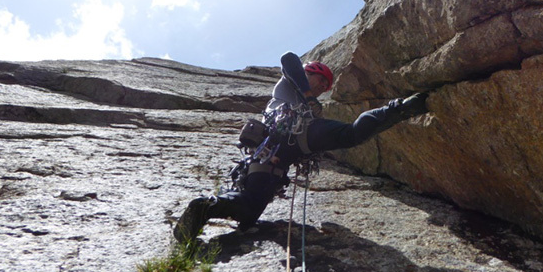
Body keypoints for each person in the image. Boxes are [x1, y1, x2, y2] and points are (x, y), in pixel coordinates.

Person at [173, 52, 428, 241]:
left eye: (325, 86)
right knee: (249, 209)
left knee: (250, 213)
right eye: (320, 80)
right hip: (283, 142)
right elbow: (289, 58)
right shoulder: (288, 84)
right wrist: (307, 96)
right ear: (309, 74)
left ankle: (403, 107)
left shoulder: (310, 104)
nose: (322, 87)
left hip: (284, 150)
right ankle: (204, 207)